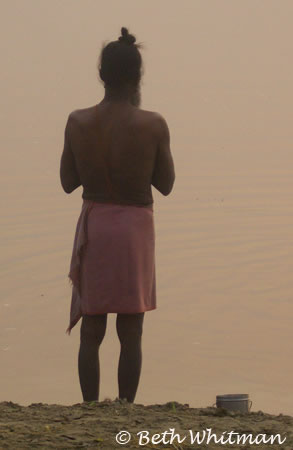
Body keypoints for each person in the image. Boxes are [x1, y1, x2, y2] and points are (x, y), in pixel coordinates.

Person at [60, 27, 175, 403]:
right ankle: (126, 406)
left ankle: (90, 406)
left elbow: (67, 182)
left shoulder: (78, 121)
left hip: (96, 224)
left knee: (92, 328)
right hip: (134, 230)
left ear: (101, 75)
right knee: (132, 329)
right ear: (137, 77)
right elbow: (166, 183)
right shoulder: (153, 124)